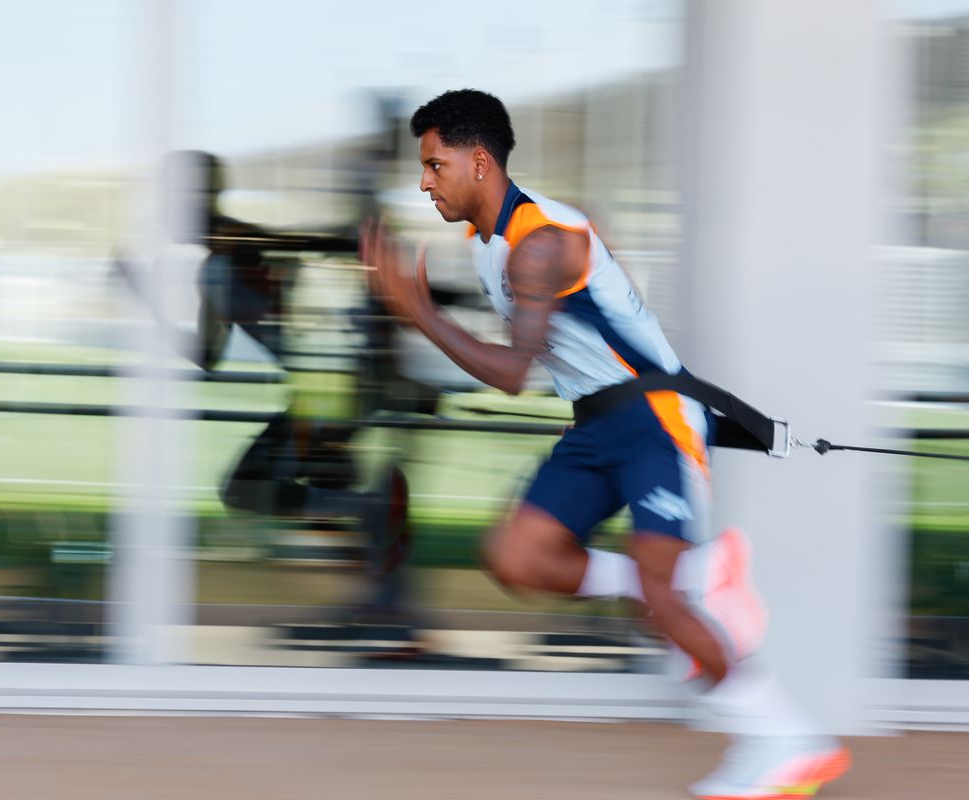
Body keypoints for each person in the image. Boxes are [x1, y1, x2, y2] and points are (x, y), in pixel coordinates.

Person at [360, 89, 851, 800]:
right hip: (597, 424)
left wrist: (419, 314)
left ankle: (787, 739)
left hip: (655, 420)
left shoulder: (538, 245)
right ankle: (698, 578)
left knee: (663, 597)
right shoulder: (493, 243)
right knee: (517, 555)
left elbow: (510, 374)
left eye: (435, 165)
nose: (424, 181)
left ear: (478, 161)